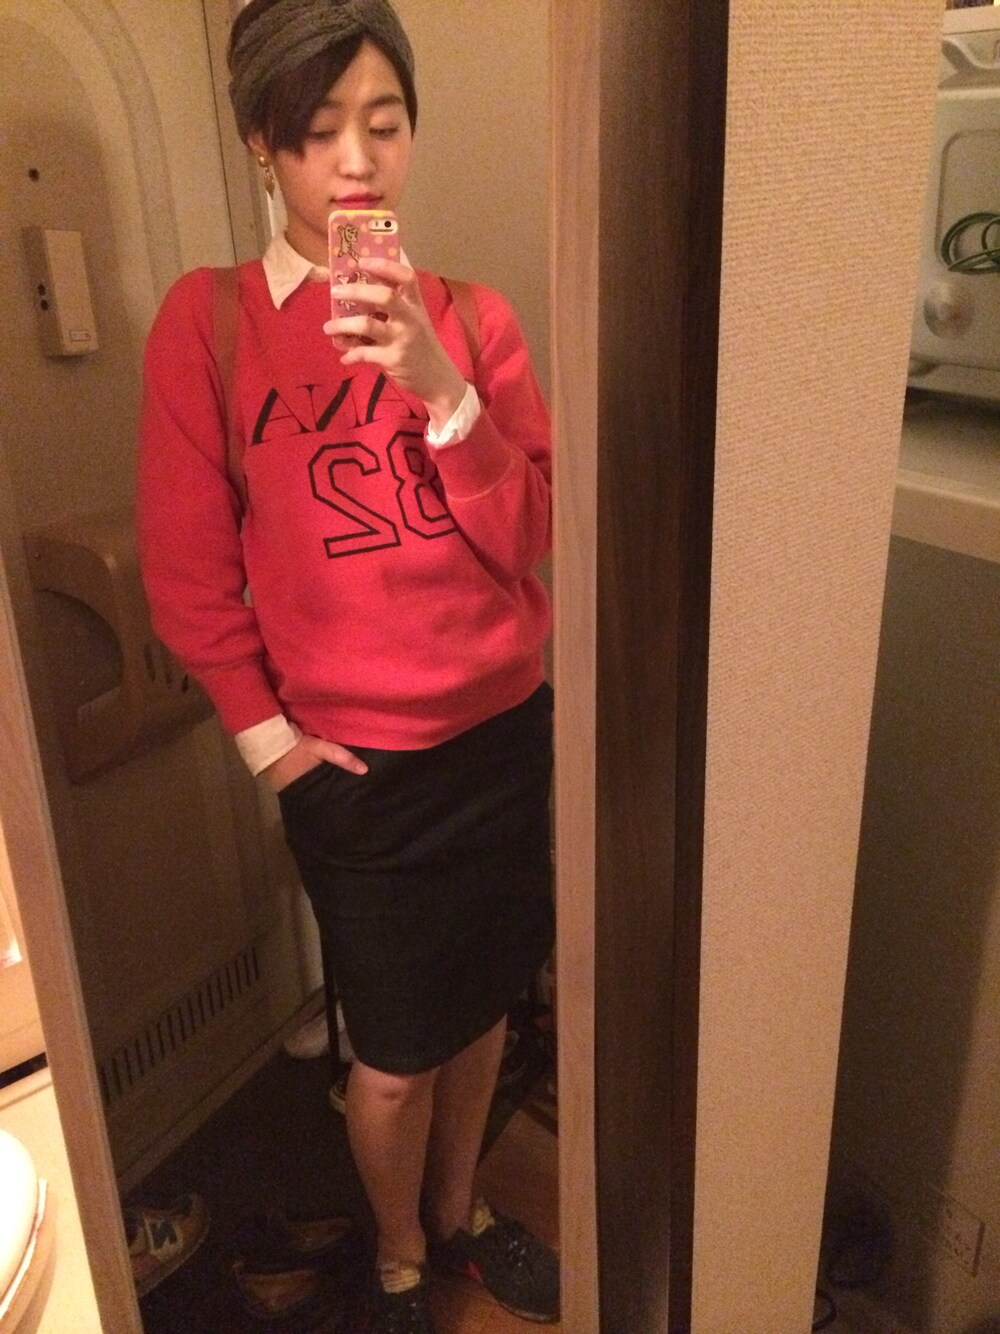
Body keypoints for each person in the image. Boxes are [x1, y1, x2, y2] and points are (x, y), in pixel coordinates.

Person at [136, 2, 558, 1330]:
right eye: (319, 132)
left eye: (384, 122)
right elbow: (188, 575)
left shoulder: (472, 319)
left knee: (483, 1009)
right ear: (263, 147)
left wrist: (440, 388)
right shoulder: (208, 325)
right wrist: (277, 753)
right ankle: (396, 1251)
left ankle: (460, 1215)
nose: (358, 161)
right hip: (356, 771)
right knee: (389, 1057)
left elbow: (532, 539)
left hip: (504, 735)